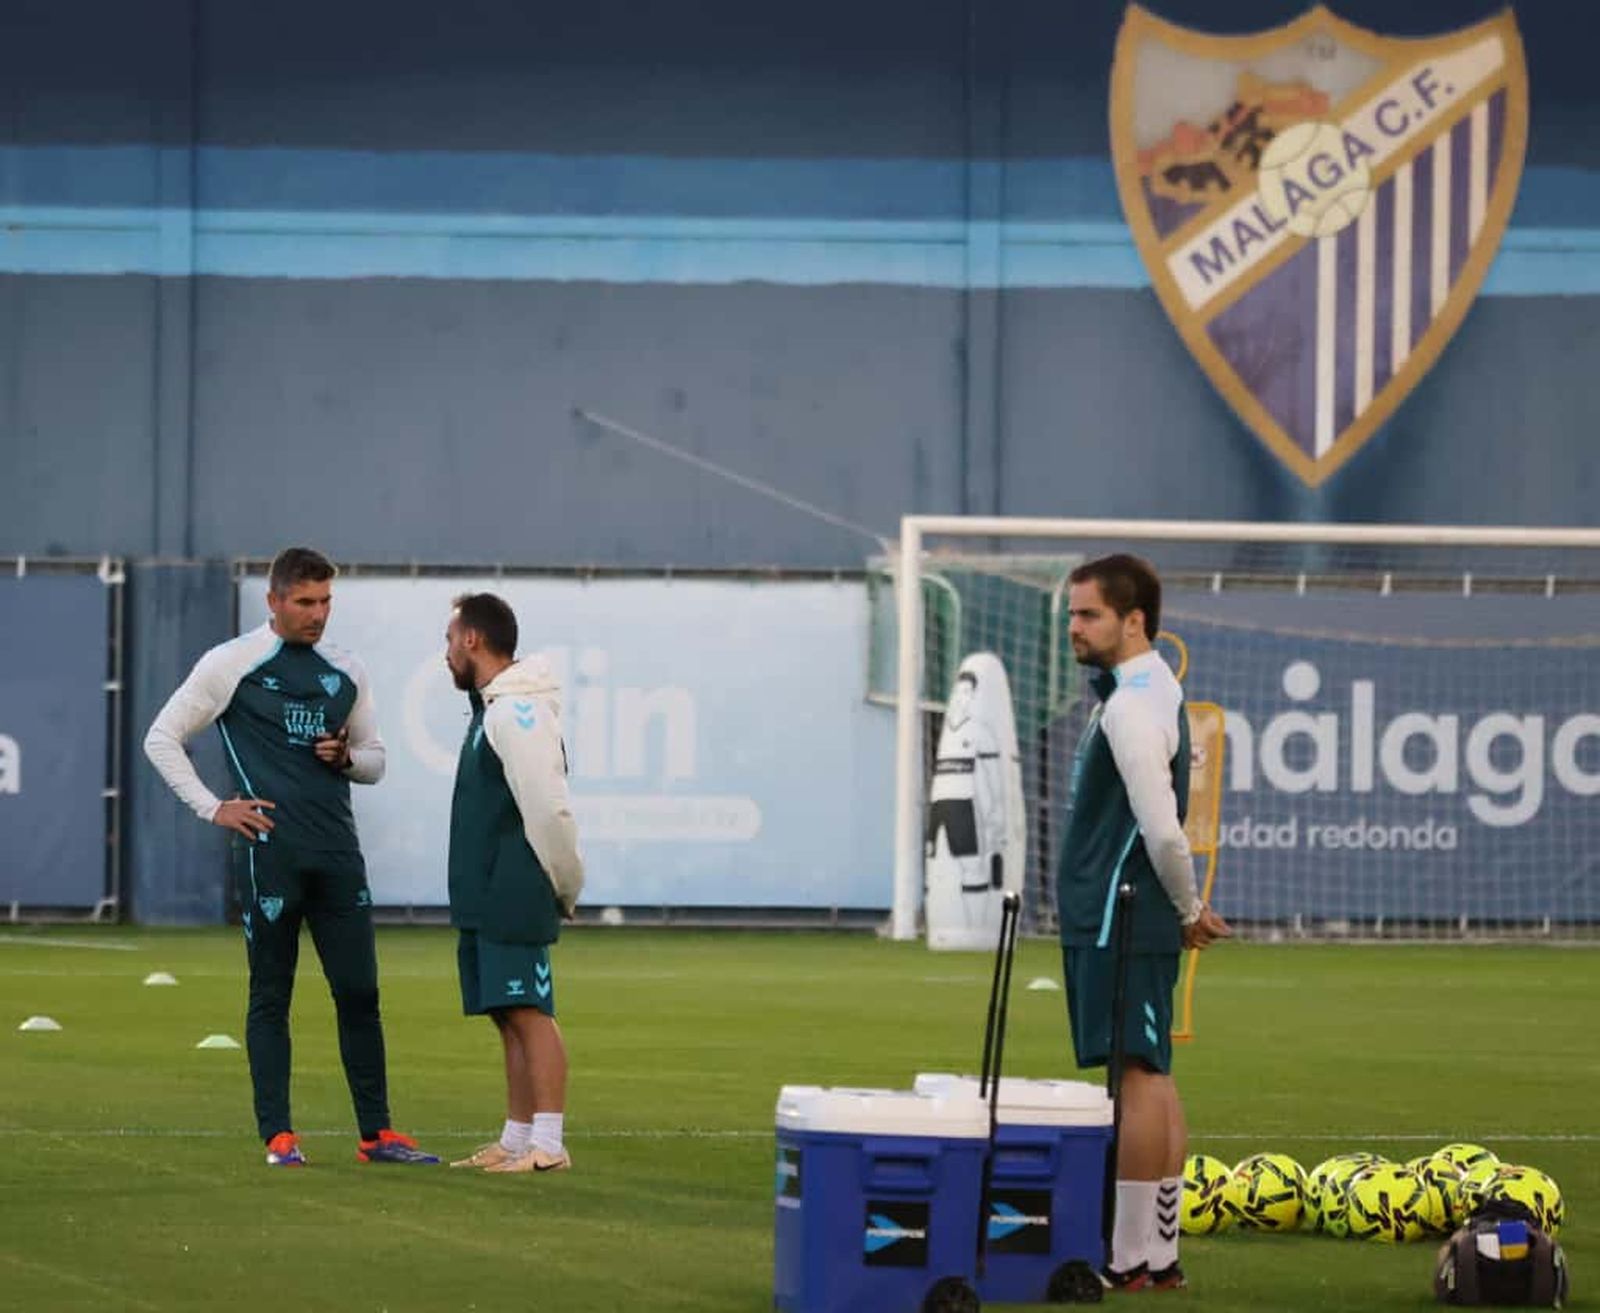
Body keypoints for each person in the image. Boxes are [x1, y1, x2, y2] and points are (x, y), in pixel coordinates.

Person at [143, 546, 438, 1167]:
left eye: (326, 600)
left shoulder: (346, 670)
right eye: (305, 601)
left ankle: (377, 1135)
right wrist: (214, 807)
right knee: (271, 995)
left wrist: (347, 759)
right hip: (270, 855)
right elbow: (162, 737)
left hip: (338, 855)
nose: (318, 614)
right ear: (273, 601)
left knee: (360, 993)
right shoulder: (231, 664)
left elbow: (377, 759)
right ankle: (279, 1136)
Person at [1055, 553, 1231, 1291]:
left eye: (1088, 613)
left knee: (1134, 1079)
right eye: (1071, 613)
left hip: (1115, 913)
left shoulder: (1132, 704)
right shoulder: (1157, 688)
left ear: (1134, 620)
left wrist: (1186, 906)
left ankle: (1130, 1258)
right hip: (1133, 909)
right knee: (1153, 1076)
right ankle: (1157, 1258)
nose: (1074, 627)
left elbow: (1163, 829)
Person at [442, 593, 584, 1174]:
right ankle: (517, 1137)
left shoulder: (516, 713)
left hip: (514, 888)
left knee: (529, 1011)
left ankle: (549, 1145)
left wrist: (565, 882)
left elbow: (549, 810)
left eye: (449, 640)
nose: (446, 653)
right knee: (506, 1013)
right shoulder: (491, 710)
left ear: (472, 639)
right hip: (485, 891)